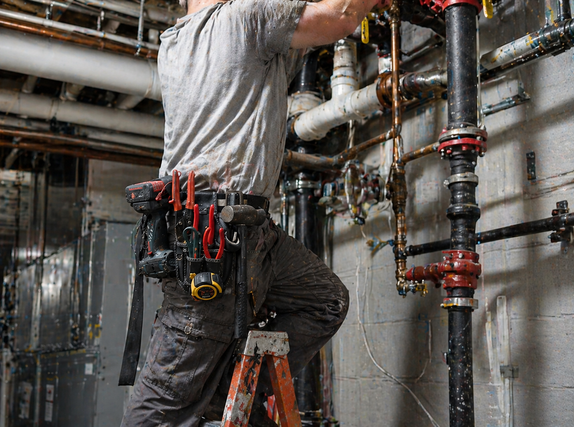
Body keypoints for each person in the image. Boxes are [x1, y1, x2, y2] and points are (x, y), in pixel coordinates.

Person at [121, 0, 389, 425]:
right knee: (164, 402)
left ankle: (223, 391)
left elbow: (290, 43)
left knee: (326, 301)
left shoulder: (177, 41)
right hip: (214, 240)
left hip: (250, 231)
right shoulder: (243, 18)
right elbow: (339, 17)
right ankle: (207, 390)